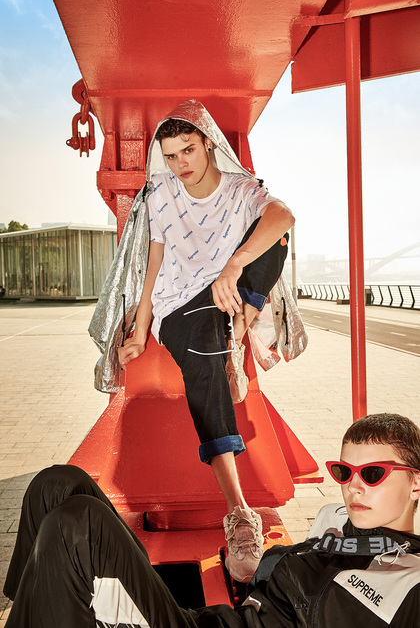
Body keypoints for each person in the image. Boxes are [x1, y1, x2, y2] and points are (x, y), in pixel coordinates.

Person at [99, 99, 294, 581]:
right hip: (177, 306)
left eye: (188, 150)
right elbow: (154, 261)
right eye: (170, 156)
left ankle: (238, 333)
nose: (180, 164)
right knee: (205, 351)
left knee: (275, 237)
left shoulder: (240, 189)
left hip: (226, 295)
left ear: (208, 144)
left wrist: (233, 265)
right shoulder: (164, 194)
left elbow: (284, 216)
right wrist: (140, 329)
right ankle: (239, 512)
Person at [4, 412, 420, 627]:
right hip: (213, 620)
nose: (353, 487)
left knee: (78, 523)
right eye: (344, 472)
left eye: (373, 474)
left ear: (415, 483)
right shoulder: (335, 521)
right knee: (57, 483)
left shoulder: (410, 582)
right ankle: (26, 606)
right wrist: (258, 565)